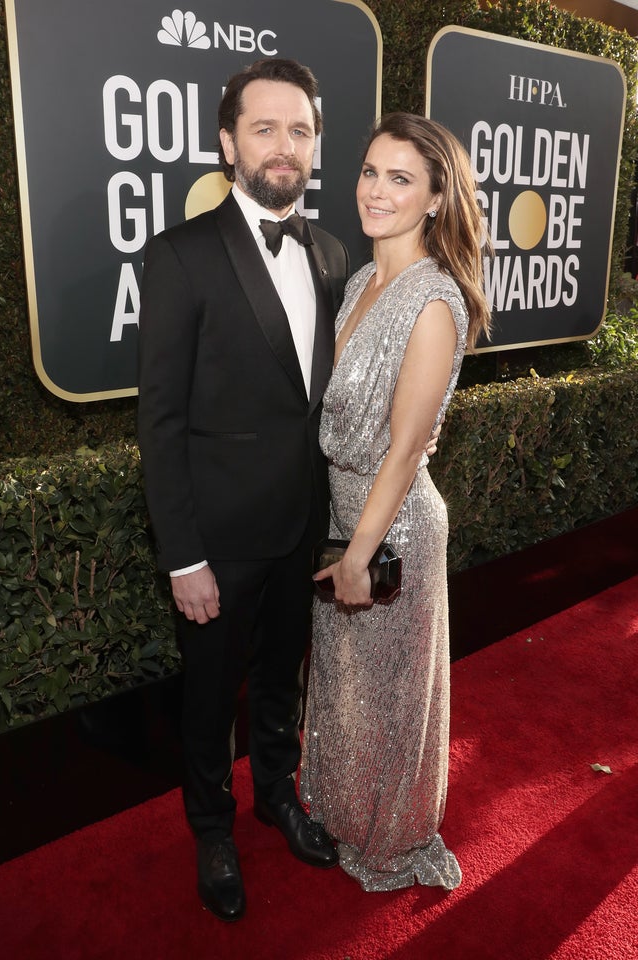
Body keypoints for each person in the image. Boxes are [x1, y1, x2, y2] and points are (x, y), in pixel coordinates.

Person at [137, 58, 350, 922]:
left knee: (280, 682)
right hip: (216, 540)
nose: (284, 145)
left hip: (301, 526)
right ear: (227, 142)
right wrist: (182, 554)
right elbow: (160, 421)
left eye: (299, 129)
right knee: (207, 694)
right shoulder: (180, 254)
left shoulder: (334, 252)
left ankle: (277, 794)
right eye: (264, 127)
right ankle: (212, 827)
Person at [300, 113, 491, 893]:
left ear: (438, 197)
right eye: (370, 172)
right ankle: (342, 810)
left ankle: (392, 832)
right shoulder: (358, 283)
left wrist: (355, 554)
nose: (377, 191)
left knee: (387, 696)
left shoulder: (434, 300)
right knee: (347, 688)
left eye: (401, 178)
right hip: (343, 516)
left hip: (393, 526)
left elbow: (407, 450)